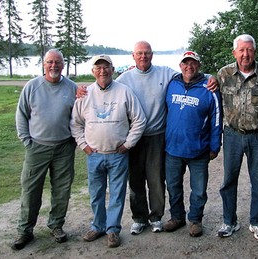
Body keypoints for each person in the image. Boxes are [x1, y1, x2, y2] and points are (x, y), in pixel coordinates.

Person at [76, 41, 218, 235]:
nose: (143, 56)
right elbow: (105, 85)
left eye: (147, 53)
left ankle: (157, 216)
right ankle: (139, 218)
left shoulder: (165, 74)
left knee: (157, 179)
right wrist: (82, 89)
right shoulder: (124, 79)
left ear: (152, 55)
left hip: (157, 136)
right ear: (133, 57)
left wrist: (212, 78)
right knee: (135, 181)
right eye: (139, 53)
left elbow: (190, 73)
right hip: (132, 137)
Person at [70, 55, 146, 248]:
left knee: (117, 194)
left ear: (113, 70)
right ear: (93, 72)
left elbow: (139, 120)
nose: (102, 71)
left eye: (106, 67)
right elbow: (76, 123)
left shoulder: (124, 92)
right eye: (98, 68)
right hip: (94, 155)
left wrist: (128, 144)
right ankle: (98, 226)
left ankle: (113, 230)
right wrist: (83, 145)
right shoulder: (85, 94)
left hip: (118, 155)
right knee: (96, 193)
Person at [12, 49, 78, 250]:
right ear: (43, 64)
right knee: (31, 190)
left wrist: (74, 140)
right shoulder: (32, 86)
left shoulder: (72, 88)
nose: (54, 66)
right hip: (37, 148)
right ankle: (25, 231)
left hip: (64, 147)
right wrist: (27, 141)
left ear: (63, 65)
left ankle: (56, 225)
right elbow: (21, 115)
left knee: (61, 190)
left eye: (57, 62)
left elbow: (80, 115)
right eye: (50, 62)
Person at [217, 34, 258, 240]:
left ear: (255, 52)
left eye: (249, 50)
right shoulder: (223, 74)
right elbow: (214, 99)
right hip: (232, 135)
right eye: (241, 50)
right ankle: (229, 221)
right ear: (234, 52)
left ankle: (257, 222)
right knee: (228, 181)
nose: (245, 54)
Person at [163, 51, 223, 237]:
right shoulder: (172, 83)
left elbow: (216, 119)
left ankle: (195, 220)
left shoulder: (209, 88)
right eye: (185, 63)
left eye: (193, 63)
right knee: (173, 186)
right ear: (180, 65)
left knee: (198, 189)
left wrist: (215, 146)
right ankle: (177, 217)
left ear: (199, 65)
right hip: (173, 148)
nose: (189, 66)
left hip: (198, 149)